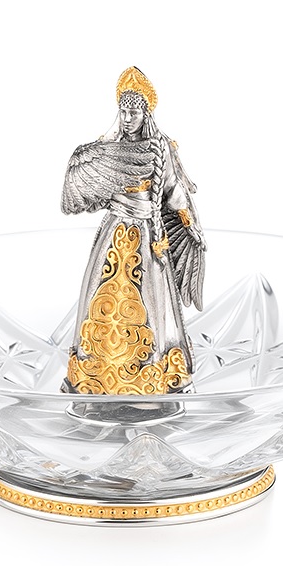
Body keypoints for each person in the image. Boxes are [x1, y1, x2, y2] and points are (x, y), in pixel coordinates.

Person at [60, 67, 206, 395]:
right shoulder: (105, 148)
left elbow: (173, 190)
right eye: (123, 112)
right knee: (102, 292)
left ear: (146, 113)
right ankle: (95, 372)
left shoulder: (161, 147)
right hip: (114, 232)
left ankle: (154, 374)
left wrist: (187, 221)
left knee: (153, 301)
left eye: (134, 112)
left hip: (149, 235)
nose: (127, 119)